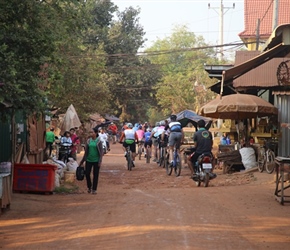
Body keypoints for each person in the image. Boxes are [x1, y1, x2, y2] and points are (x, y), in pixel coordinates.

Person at [79, 127, 103, 194]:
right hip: (89, 160)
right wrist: (82, 161)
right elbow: (86, 152)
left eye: (92, 132)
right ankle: (89, 187)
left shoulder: (98, 141)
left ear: (96, 133)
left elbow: (101, 153)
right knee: (87, 174)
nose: (90, 133)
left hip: (96, 161)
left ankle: (94, 189)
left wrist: (100, 161)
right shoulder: (88, 141)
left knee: (95, 175)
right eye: (90, 132)